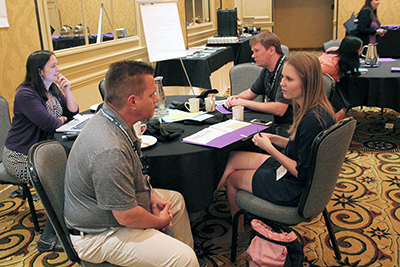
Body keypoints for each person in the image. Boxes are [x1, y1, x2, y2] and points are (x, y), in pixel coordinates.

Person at [64, 61, 201, 267]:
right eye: (151, 94)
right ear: (133, 101)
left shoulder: (112, 118)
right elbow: (126, 217)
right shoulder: (109, 149)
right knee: (184, 258)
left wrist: (152, 195)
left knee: (176, 201)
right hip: (98, 235)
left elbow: (137, 172)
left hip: (113, 214)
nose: (157, 99)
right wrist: (160, 222)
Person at [216, 52, 336, 233]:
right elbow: (303, 150)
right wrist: (276, 139)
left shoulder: (312, 121)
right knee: (233, 156)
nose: (282, 83)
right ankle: (207, 198)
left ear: (305, 83)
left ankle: (238, 232)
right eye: (283, 77)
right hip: (296, 174)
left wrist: (270, 148)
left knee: (233, 178)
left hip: (293, 188)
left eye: (289, 79)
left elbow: (301, 172)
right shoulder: (317, 109)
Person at [3, 50, 79, 251]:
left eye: (57, 64)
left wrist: (68, 90)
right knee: (60, 180)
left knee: (72, 173)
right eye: (53, 66)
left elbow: (72, 112)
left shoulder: (52, 89)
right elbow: (50, 124)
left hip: (44, 152)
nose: (58, 69)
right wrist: (60, 120)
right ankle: (48, 238)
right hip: (21, 156)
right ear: (39, 71)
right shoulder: (25, 94)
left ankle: (69, 226)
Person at [224, 31, 293, 137]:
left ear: (271, 50)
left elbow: (279, 109)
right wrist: (235, 98)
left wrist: (244, 103)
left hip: (289, 126)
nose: (253, 55)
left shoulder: (286, 71)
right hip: (274, 121)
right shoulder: (267, 70)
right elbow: (251, 92)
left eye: (257, 51)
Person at [319, 36, 363, 121]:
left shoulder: (336, 50)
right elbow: (315, 79)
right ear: (352, 52)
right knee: (341, 108)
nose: (361, 52)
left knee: (347, 98)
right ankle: (330, 128)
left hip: (333, 83)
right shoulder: (331, 66)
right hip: (320, 88)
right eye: (360, 50)